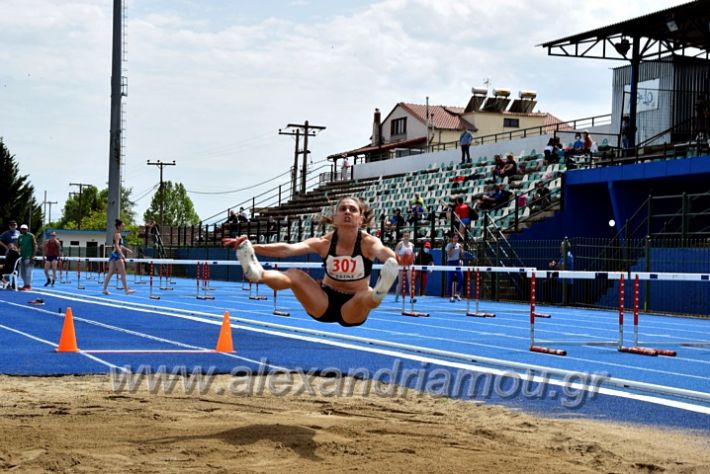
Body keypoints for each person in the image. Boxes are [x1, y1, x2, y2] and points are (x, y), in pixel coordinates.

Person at [223, 197, 399, 327]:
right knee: (295, 275)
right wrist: (253, 246)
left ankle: (378, 293)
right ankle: (258, 273)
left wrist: (394, 260)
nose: (347, 212)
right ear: (335, 217)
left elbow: (384, 253)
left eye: (353, 210)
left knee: (365, 295)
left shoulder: (368, 243)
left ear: (361, 219)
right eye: (343, 209)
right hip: (323, 301)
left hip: (353, 306)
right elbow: (287, 249)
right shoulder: (324, 243)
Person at [102, 219, 135, 295]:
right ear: (119, 226)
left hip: (114, 254)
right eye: (122, 225)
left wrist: (127, 250)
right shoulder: (117, 234)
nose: (124, 226)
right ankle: (126, 290)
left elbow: (120, 245)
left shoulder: (118, 234)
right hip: (117, 255)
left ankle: (104, 289)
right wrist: (121, 254)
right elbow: (116, 245)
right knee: (123, 272)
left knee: (110, 272)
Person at [394, 231, 416, 303]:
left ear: (409, 237)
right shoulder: (400, 244)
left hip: (409, 265)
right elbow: (396, 254)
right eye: (405, 236)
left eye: (407, 236)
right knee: (400, 282)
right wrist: (401, 260)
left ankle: (411, 298)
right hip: (401, 265)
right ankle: (397, 297)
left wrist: (412, 258)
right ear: (403, 236)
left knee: (411, 282)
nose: (406, 237)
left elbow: (413, 255)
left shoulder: (412, 245)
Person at [17, 224, 37, 291]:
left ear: (27, 229)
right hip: (22, 257)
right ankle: (25, 285)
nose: (23, 230)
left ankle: (28, 285)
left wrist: (33, 256)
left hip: (29, 256)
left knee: (28, 272)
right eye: (22, 229)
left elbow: (35, 246)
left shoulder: (31, 236)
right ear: (20, 229)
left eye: (25, 229)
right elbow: (17, 246)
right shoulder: (20, 237)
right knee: (22, 273)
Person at [445, 233, 464, 302]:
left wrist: (462, 249)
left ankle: (457, 293)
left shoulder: (459, 245)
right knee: (450, 280)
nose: (456, 239)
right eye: (454, 238)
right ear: (452, 239)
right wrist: (453, 247)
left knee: (461, 278)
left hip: (457, 263)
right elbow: (449, 254)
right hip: (450, 263)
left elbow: (462, 255)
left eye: (457, 238)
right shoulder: (449, 245)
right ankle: (450, 296)